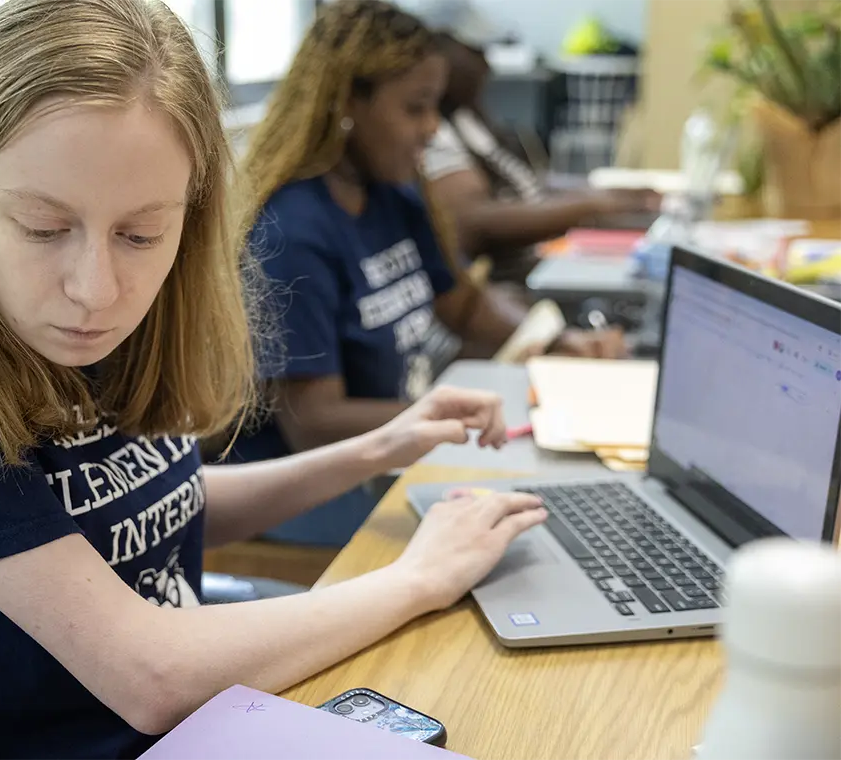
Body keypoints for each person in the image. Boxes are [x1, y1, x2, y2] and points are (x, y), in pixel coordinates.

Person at [0, 1, 548, 758]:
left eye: (142, 233)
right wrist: (421, 576)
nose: (96, 289)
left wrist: (373, 449)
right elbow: (152, 676)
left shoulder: (120, 317)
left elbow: (153, 503)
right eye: (42, 228)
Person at [228, 0, 619, 546]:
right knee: (525, 531)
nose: (432, 129)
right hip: (302, 489)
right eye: (415, 108)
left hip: (382, 459)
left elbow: (459, 304)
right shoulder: (294, 232)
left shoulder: (393, 197)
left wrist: (555, 343)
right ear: (347, 103)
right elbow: (314, 422)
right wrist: (445, 416)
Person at [416, 5, 660, 282]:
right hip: (512, 279)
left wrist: (607, 196)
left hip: (541, 260)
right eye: (477, 53)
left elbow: (528, 185)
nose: (487, 64)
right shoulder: (435, 133)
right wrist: (588, 206)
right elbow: (477, 221)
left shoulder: (468, 119)